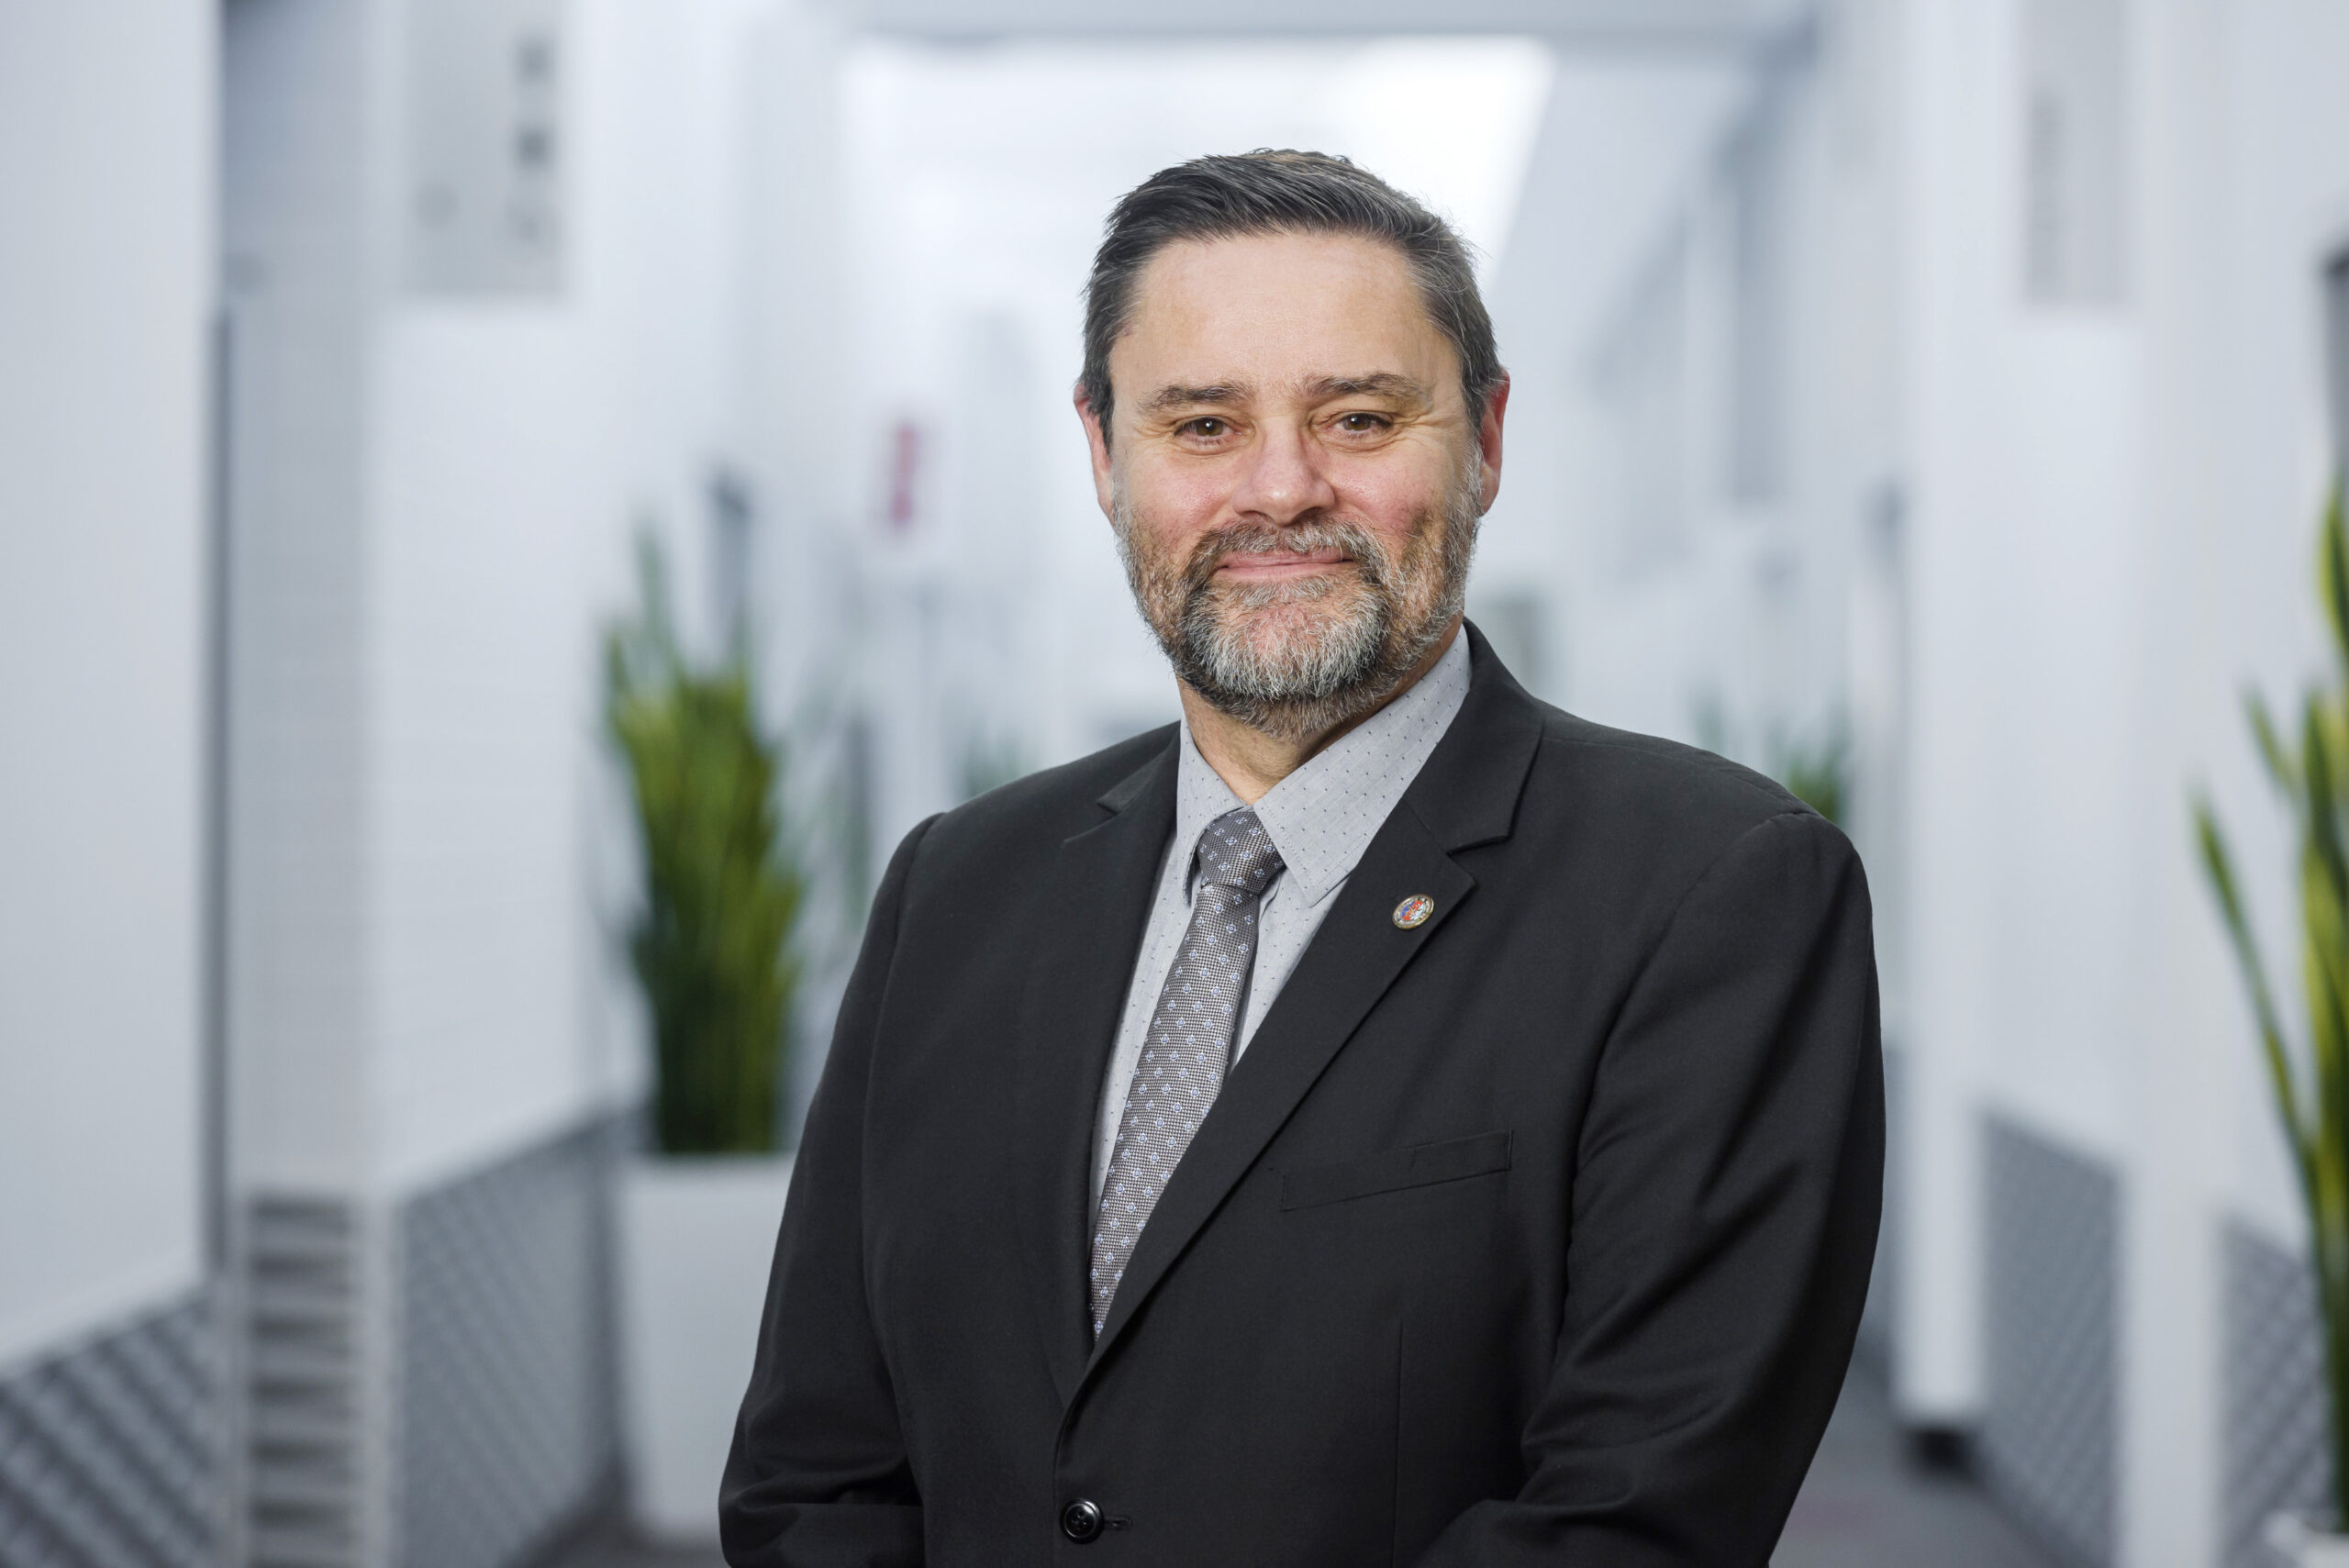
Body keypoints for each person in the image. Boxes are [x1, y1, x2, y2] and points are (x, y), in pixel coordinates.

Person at [720, 149, 1882, 1567]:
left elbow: (1632, 1525)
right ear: (1103, 454)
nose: (1281, 487)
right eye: (1203, 424)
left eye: (1359, 415)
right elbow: (813, 1470)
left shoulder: (1715, 894)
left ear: (1487, 440)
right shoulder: (957, 888)